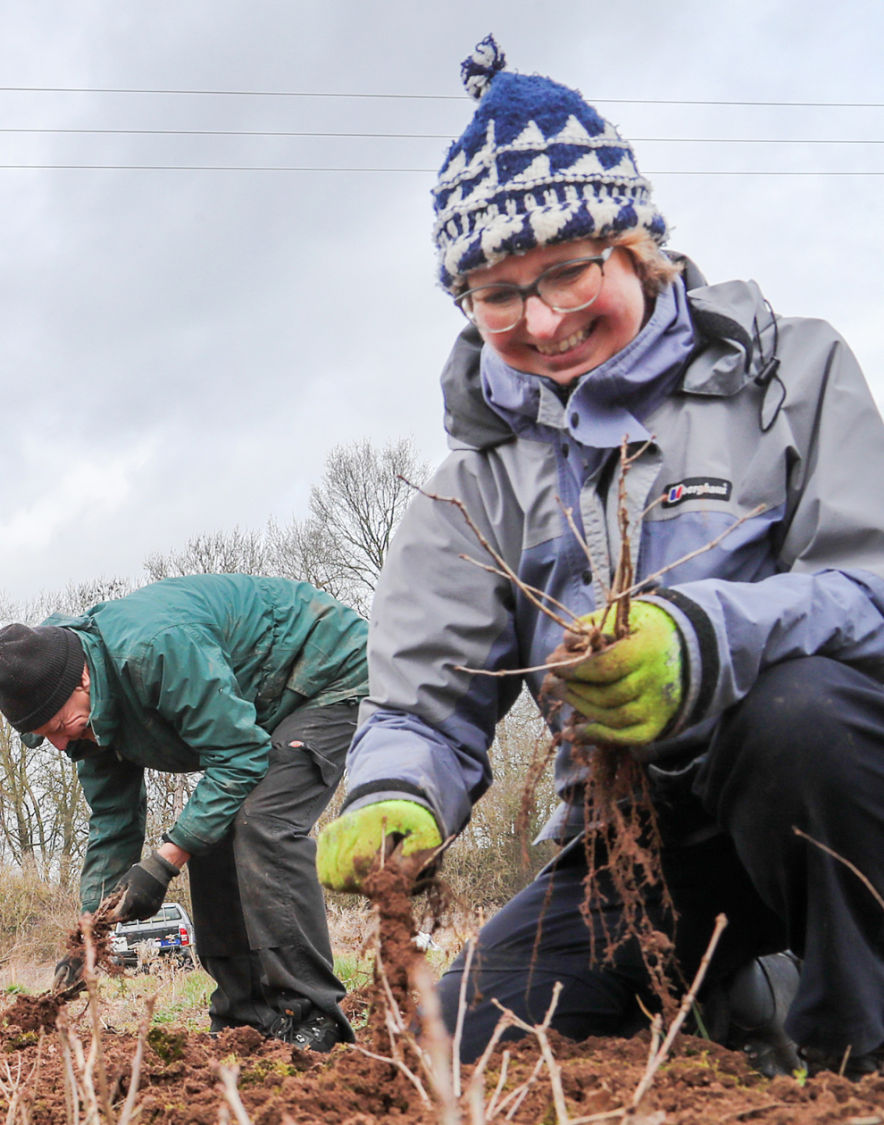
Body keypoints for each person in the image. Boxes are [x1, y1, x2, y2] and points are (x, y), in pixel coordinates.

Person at [317, 38, 884, 1078]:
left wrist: (705, 640)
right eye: (495, 294)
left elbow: (871, 589)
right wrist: (389, 793)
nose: (540, 320)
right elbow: (421, 703)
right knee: (451, 1055)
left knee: (797, 720)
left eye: (566, 272)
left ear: (634, 248)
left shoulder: (789, 372)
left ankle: (856, 1059)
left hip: (822, 785)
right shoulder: (469, 486)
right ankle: (727, 991)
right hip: (626, 840)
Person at [0, 574, 367, 1051]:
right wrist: (90, 928)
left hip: (324, 674)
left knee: (260, 824)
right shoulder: (87, 716)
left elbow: (241, 756)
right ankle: (243, 1016)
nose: (62, 742)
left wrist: (162, 863)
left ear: (82, 677)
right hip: (258, 708)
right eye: (47, 736)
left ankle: (311, 1014)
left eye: (61, 725)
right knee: (210, 835)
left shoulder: (155, 649)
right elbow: (113, 822)